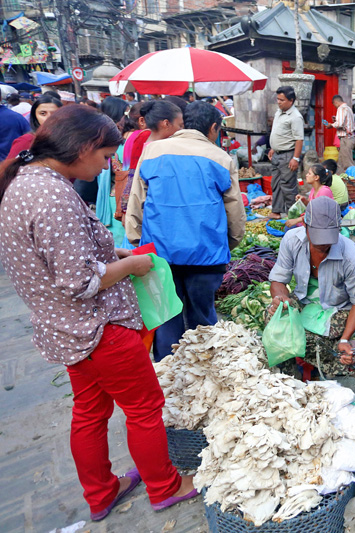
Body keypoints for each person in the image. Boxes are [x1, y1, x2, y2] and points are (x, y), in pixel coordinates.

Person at [0, 105, 197, 520]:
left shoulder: (26, 182)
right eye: (106, 156)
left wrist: (113, 253)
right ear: (83, 146)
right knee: (144, 409)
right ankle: (165, 486)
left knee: (89, 412)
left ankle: (102, 493)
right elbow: (80, 282)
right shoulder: (52, 194)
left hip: (65, 331)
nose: (108, 165)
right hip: (99, 329)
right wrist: (132, 265)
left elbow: (64, 260)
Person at [126, 101, 246, 361]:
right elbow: (234, 212)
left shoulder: (152, 151)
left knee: (166, 316)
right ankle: (204, 372)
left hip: (160, 253)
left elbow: (136, 202)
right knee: (202, 316)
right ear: (213, 128)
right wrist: (231, 243)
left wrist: (137, 240)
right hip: (206, 253)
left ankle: (169, 374)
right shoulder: (220, 157)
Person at [267, 197, 355, 377]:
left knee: (315, 341)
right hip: (305, 299)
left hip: (338, 307)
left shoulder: (352, 258)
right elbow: (278, 280)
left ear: (338, 229)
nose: (323, 245)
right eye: (317, 239)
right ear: (305, 226)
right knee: (274, 318)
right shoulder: (292, 240)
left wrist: (345, 338)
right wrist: (280, 298)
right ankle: (289, 374)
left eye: (327, 239)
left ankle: (346, 348)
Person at [118, 100, 183, 231]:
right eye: (180, 125)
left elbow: (132, 176)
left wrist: (126, 209)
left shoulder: (141, 137)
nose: (182, 129)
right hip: (160, 211)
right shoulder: (171, 147)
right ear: (166, 124)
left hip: (142, 207)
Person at [268, 86, 304, 219]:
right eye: (278, 99)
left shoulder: (295, 117)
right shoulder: (279, 112)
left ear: (291, 100)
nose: (278, 102)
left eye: (281, 100)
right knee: (276, 183)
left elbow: (299, 139)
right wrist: (273, 148)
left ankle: (293, 215)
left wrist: (296, 158)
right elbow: (278, 132)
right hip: (277, 154)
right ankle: (276, 211)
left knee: (288, 186)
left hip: (288, 155)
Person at [5, 93, 63, 160]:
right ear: (35, 116)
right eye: (43, 113)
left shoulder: (70, 139)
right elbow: (9, 168)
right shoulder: (27, 141)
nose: (49, 117)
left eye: (55, 113)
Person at [329, 95, 355, 174]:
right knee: (341, 162)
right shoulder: (348, 108)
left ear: (336, 102)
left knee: (347, 163)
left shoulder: (341, 109)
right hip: (349, 137)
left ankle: (353, 179)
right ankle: (339, 178)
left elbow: (340, 124)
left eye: (334, 105)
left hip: (345, 138)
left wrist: (331, 125)